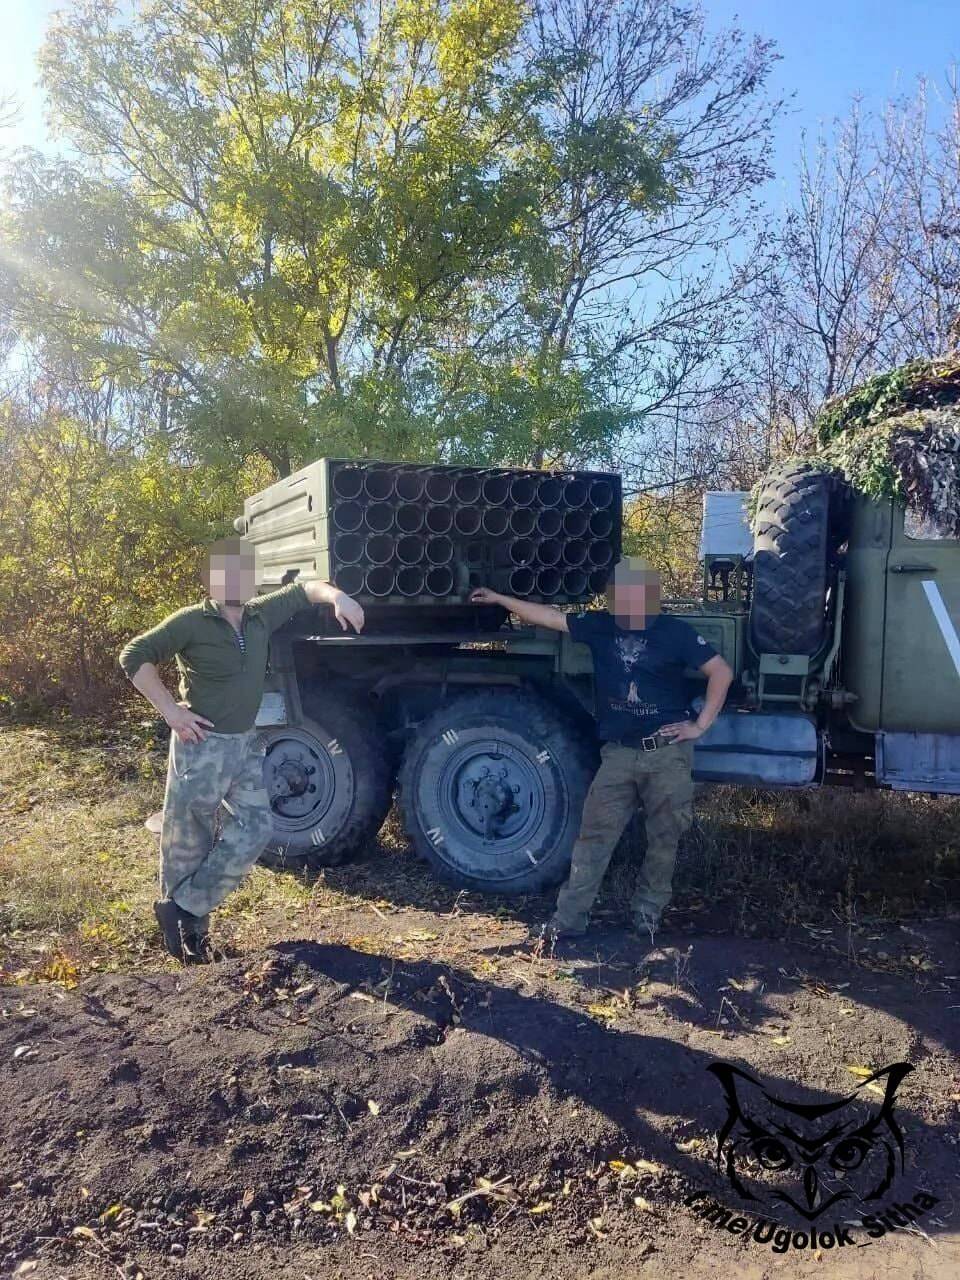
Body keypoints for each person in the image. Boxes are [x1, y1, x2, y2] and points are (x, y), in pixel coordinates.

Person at [119, 537, 364, 963]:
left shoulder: (260, 615)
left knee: (255, 827)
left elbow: (307, 589)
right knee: (188, 839)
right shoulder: (191, 622)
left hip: (247, 744)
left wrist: (339, 596)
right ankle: (189, 937)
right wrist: (171, 712)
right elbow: (133, 655)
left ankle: (184, 908)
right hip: (203, 746)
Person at [470, 556, 733, 945]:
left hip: (666, 755)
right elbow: (548, 617)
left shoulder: (674, 632)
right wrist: (500, 598)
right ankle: (569, 920)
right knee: (593, 838)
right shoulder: (599, 627)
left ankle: (647, 916)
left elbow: (721, 672)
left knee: (664, 838)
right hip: (619, 755)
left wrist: (700, 724)